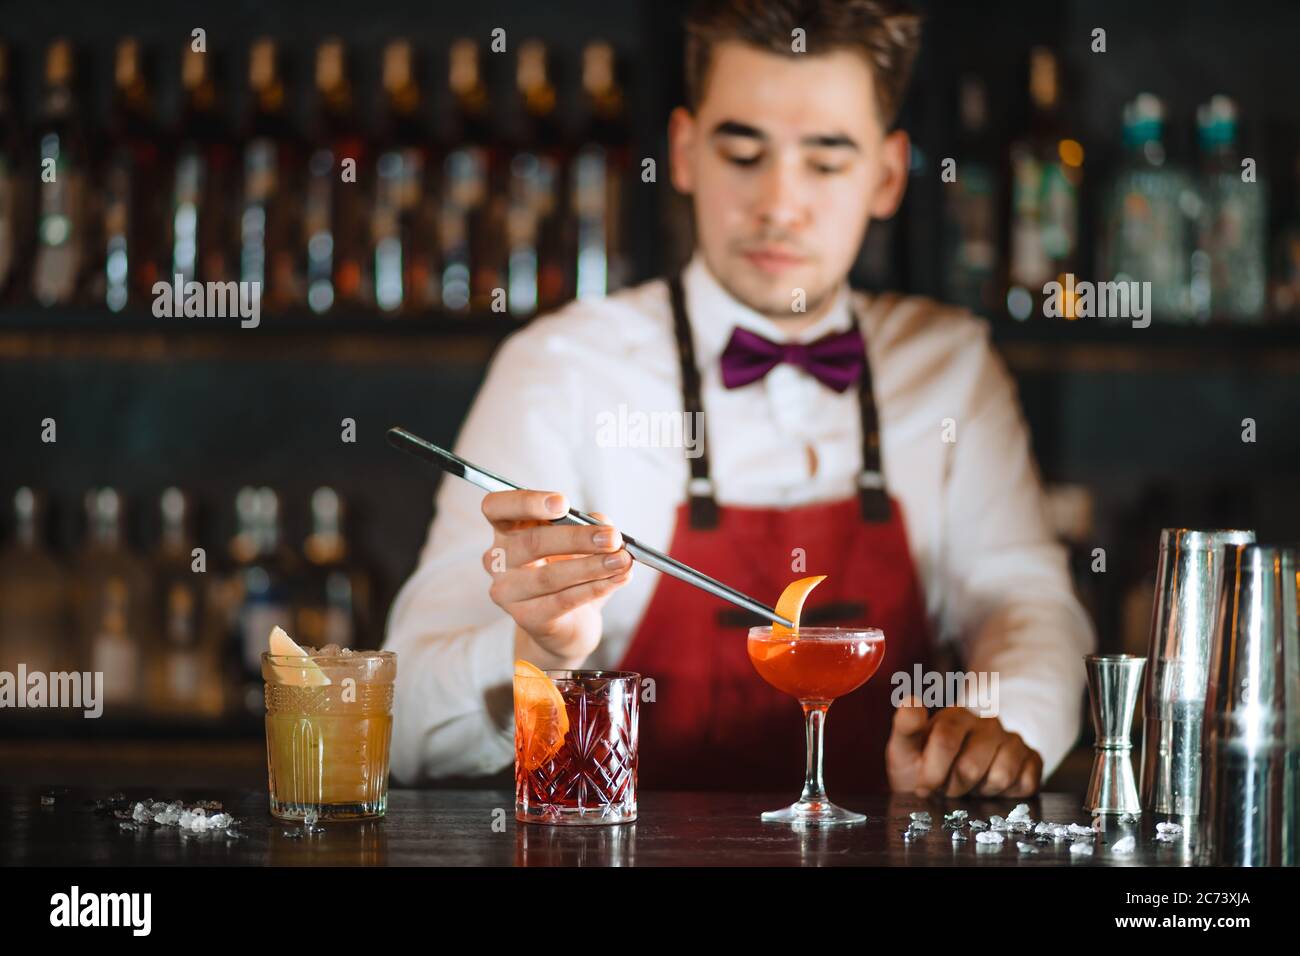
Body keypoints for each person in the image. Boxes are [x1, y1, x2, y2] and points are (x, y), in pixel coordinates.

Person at [384, 0, 1095, 798]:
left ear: (888, 175)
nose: (780, 205)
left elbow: (1026, 604)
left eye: (826, 162)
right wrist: (536, 650)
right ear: (684, 154)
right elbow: (405, 729)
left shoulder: (951, 365)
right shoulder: (560, 368)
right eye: (743, 154)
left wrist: (1001, 726)